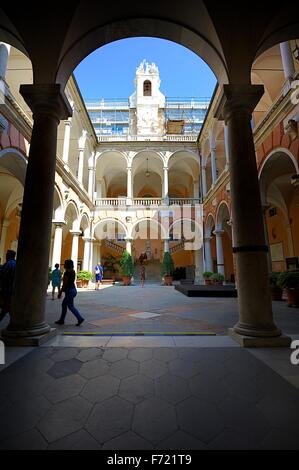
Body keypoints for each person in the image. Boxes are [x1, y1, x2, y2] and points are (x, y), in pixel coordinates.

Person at [55, 259, 84, 326]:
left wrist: (60, 293)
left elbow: (64, 284)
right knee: (65, 305)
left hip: (69, 291)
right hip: (73, 290)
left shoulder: (67, 273)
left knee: (70, 306)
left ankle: (80, 318)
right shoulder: (73, 271)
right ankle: (62, 320)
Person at [0, 250, 16, 322]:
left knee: (7, 307)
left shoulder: (8, 264)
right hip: (11, 290)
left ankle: (15, 323)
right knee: (7, 307)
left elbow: (4, 277)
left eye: (7, 254)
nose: (6, 255)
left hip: (7, 290)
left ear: (9, 255)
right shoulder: (15, 263)